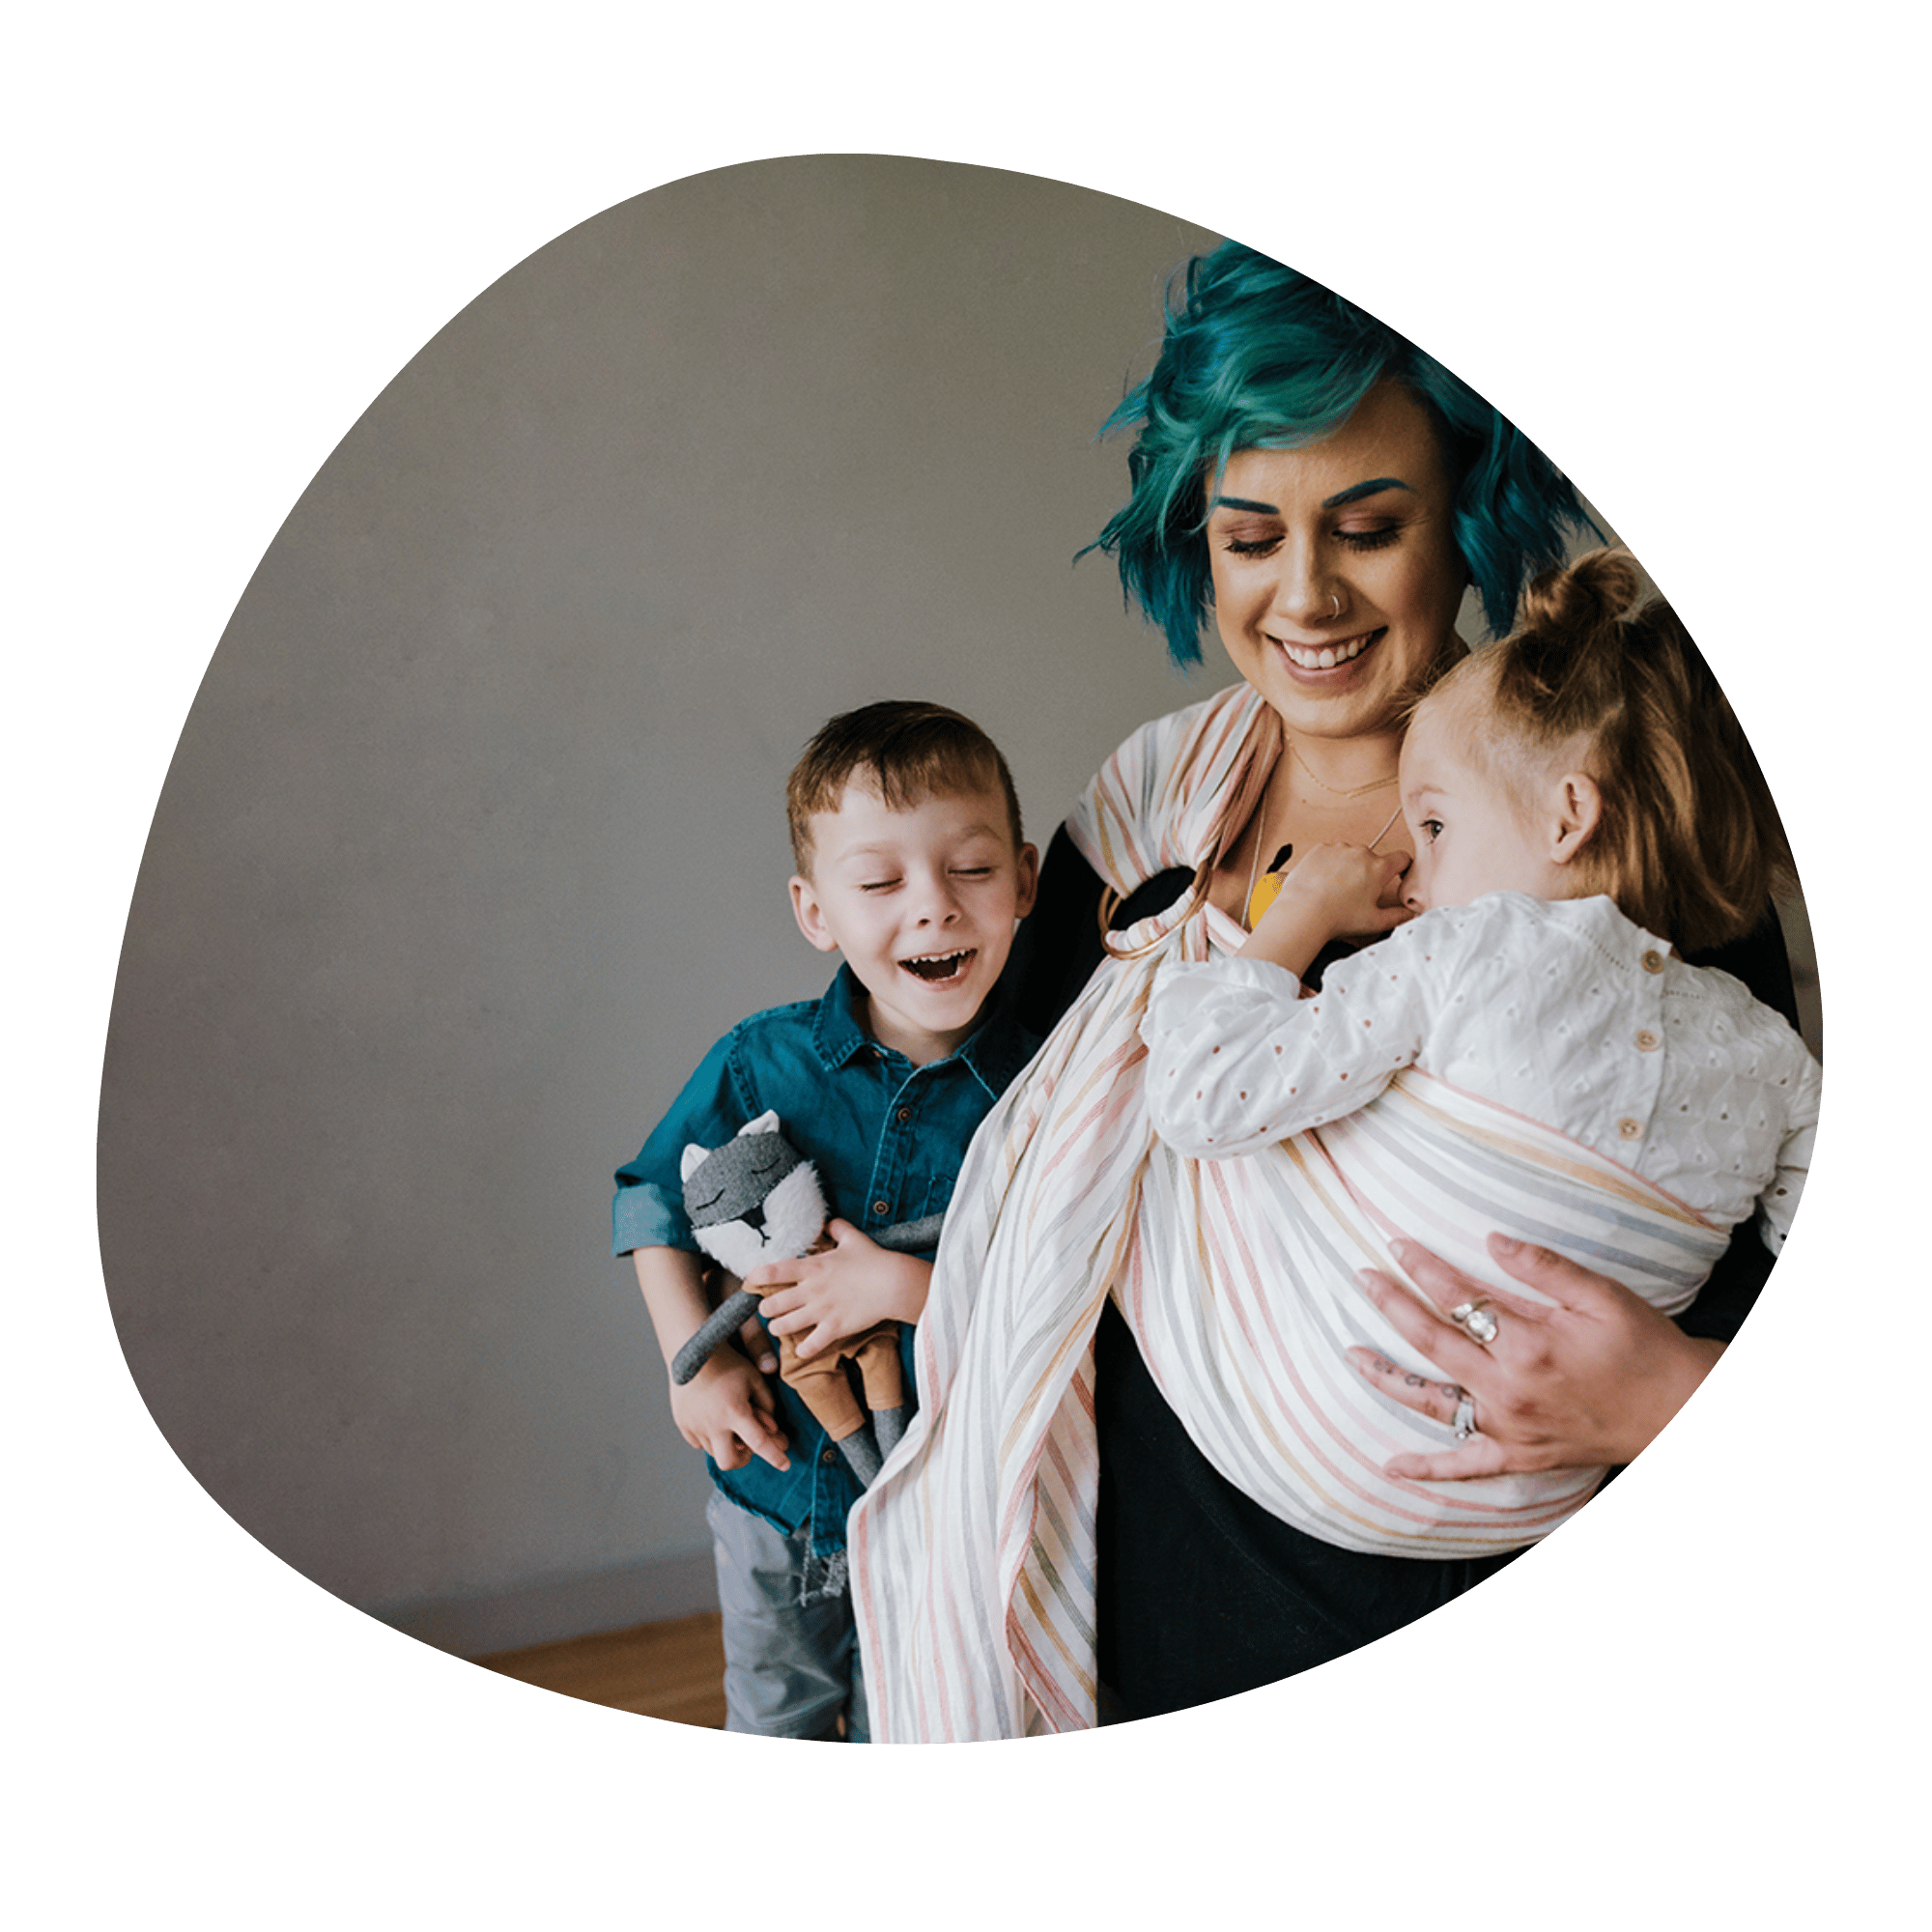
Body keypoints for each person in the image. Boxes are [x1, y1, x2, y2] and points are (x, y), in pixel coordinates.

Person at [847, 242, 1805, 1739]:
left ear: (1464, 524)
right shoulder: (1147, 811)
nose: (1304, 594)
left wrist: (1667, 1393)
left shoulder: (1618, 851)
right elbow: (1011, 1139)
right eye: (1251, 537)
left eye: (1367, 528)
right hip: (1138, 1602)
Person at [1134, 544, 1819, 1554]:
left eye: (1433, 824)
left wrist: (1298, 916)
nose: (1412, 874)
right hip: (1519, 1503)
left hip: (1296, 1426)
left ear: (1568, 816)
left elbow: (1200, 1092)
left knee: (1138, 1094)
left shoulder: (1467, 949)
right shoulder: (1775, 1060)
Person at [611, 701, 1039, 1742]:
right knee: (776, 1718)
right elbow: (652, 1196)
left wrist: (905, 1290)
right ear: (815, 910)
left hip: (953, 1515)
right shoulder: (763, 1061)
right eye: (880, 882)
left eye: (970, 868)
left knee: (932, 1725)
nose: (932, 907)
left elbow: (1071, 1289)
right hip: (776, 1496)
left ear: (1025, 880)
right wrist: (693, 1360)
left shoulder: (1051, 1084)